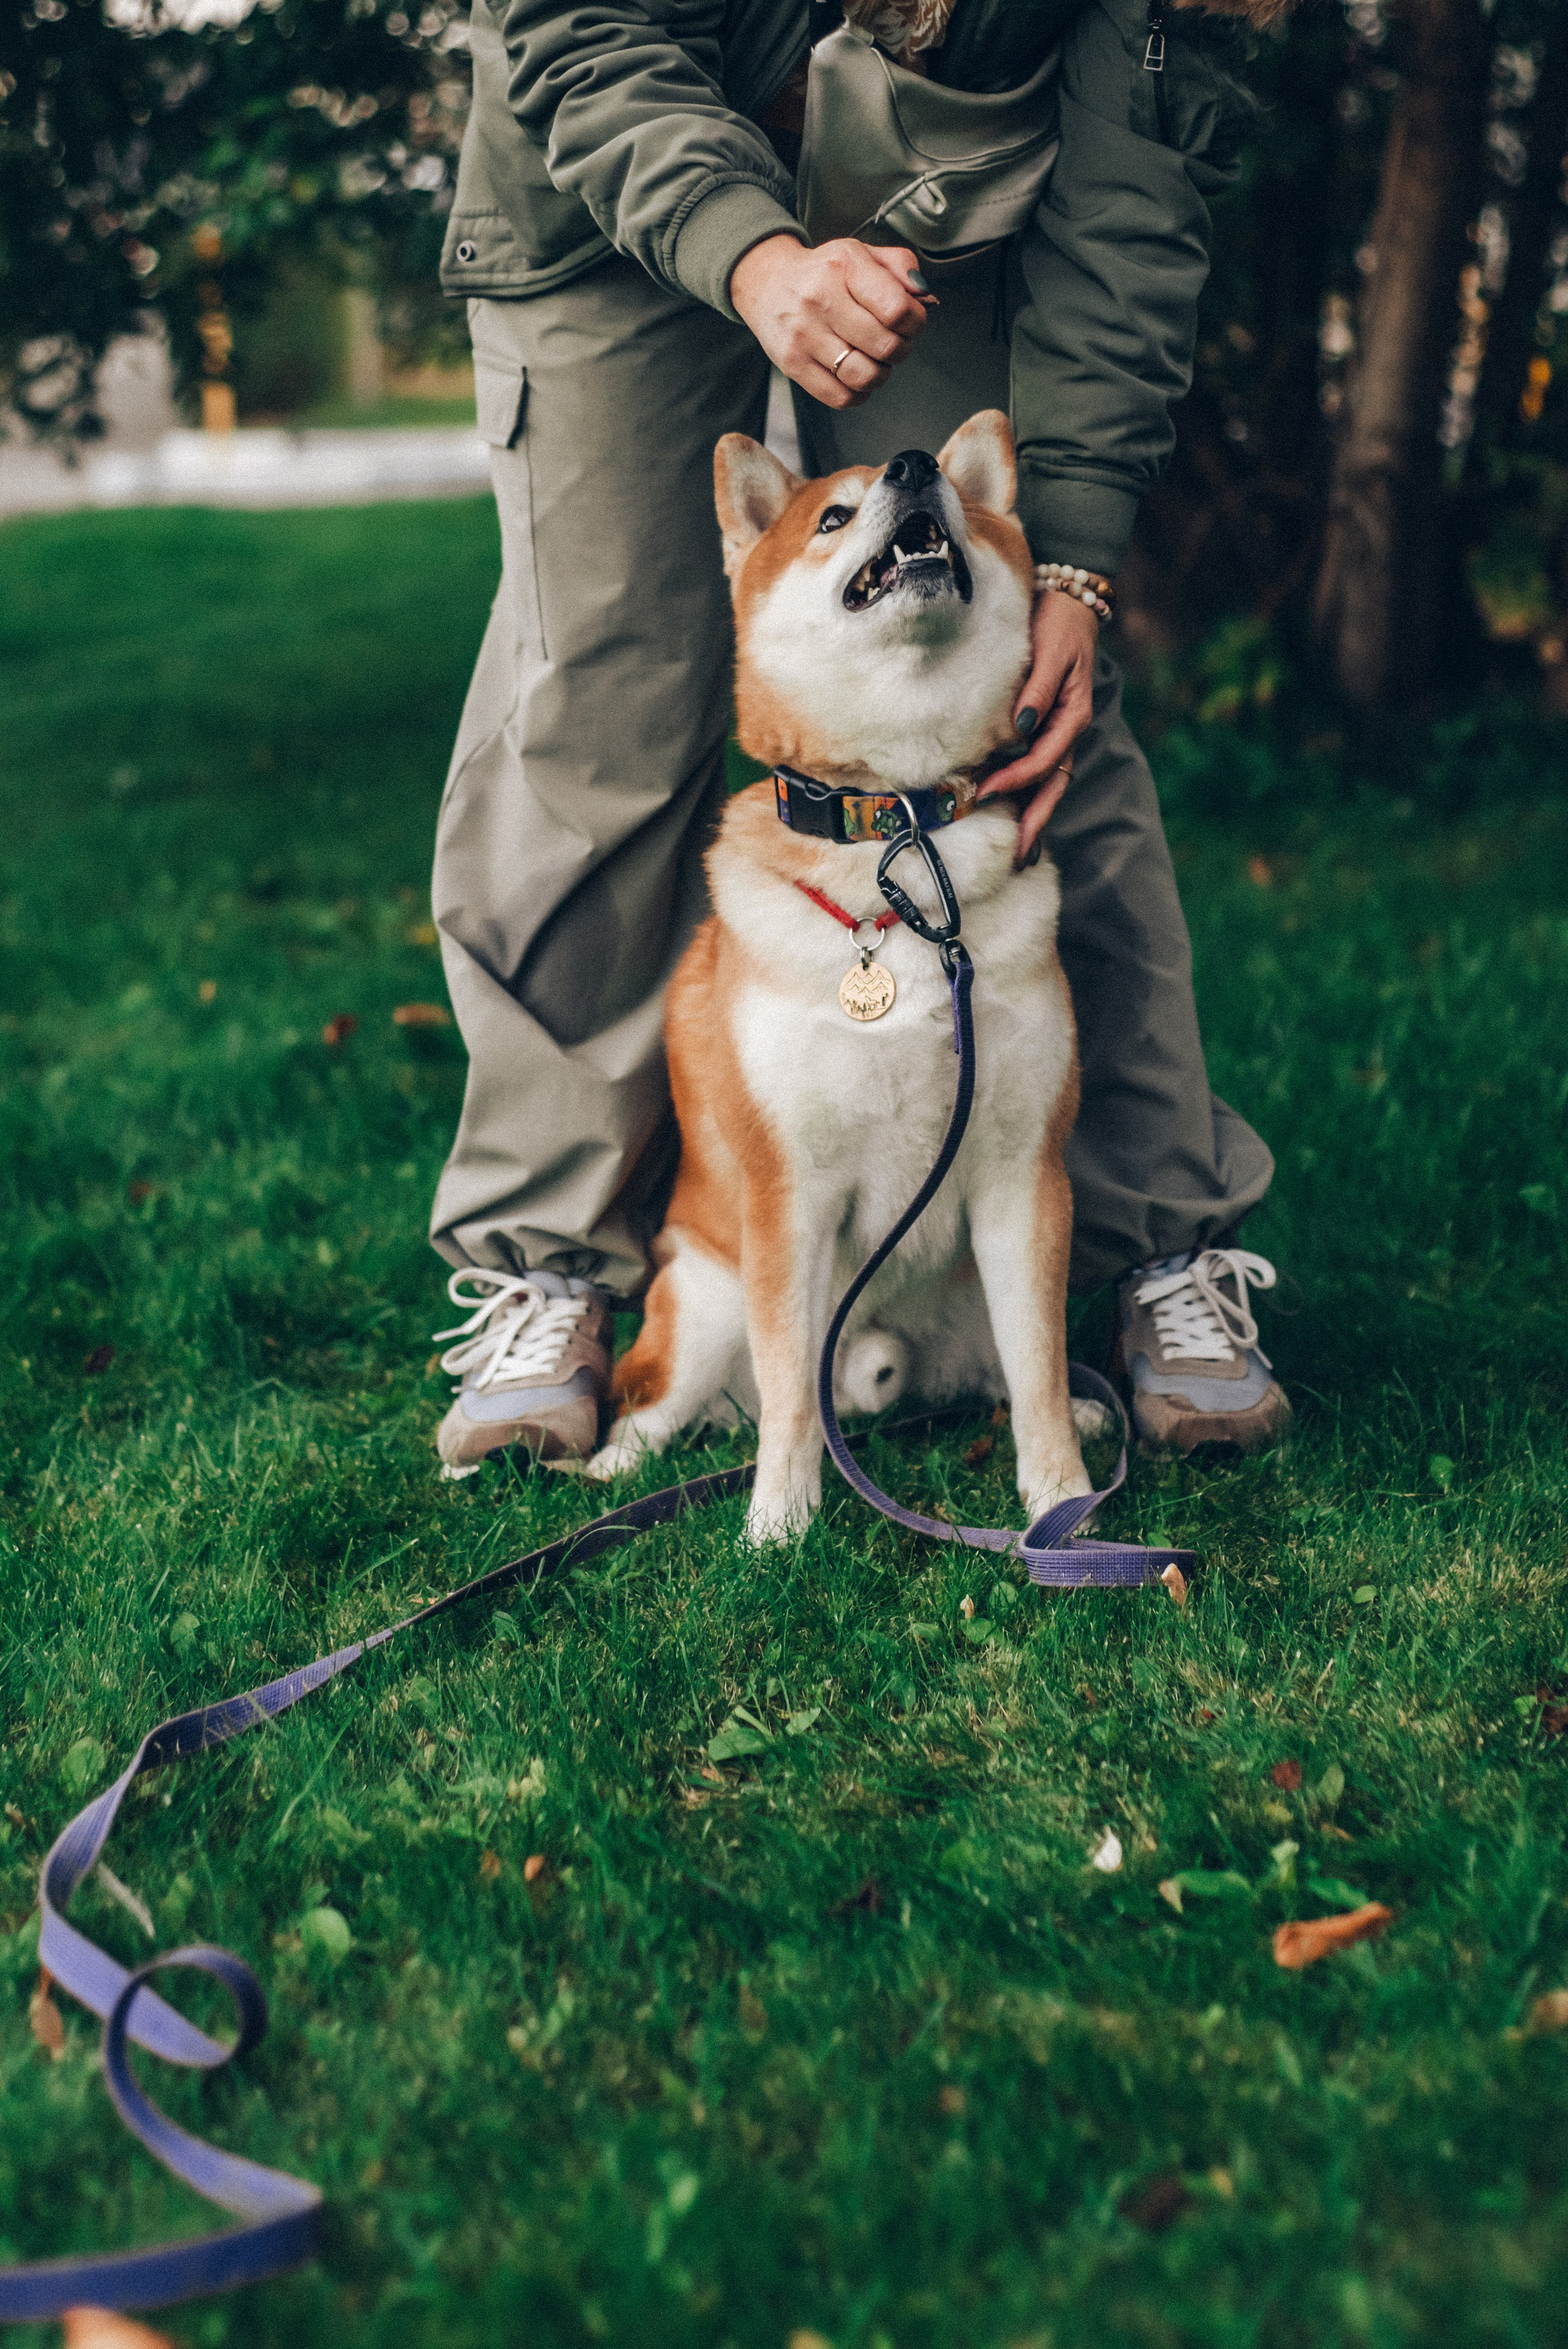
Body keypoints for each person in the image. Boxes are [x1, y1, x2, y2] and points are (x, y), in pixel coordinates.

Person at [424, 0, 1293, 1477]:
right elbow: (578, 28)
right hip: (606, 180)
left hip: (937, 185)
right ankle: (552, 1259)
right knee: (601, 713)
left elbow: (1133, 178)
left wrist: (1068, 558)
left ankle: (1156, 1244)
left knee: (1009, 695)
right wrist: (751, 253)